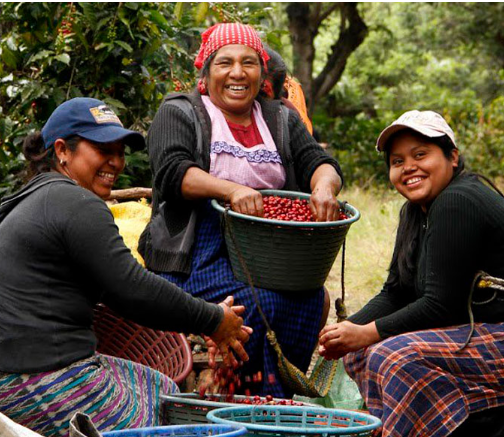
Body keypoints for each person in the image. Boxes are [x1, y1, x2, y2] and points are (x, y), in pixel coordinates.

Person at [0, 97, 251, 437]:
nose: (116, 163)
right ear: (62, 150)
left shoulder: (37, 198)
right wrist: (213, 320)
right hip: (33, 374)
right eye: (103, 150)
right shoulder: (73, 201)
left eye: (120, 152)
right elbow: (132, 288)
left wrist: (208, 318)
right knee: (153, 430)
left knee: (163, 393)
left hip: (48, 361)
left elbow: (119, 293)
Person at [139, 22, 344, 397]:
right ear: (207, 71)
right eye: (225, 63)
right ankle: (249, 398)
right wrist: (231, 189)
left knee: (310, 298)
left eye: (248, 63)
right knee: (259, 303)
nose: (237, 73)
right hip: (195, 253)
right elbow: (172, 172)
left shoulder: (280, 117)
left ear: (261, 73)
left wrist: (324, 187)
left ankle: (280, 391)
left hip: (272, 252)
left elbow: (319, 160)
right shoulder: (180, 111)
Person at [318, 110, 504, 437]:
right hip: (472, 333)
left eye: (421, 155)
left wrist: (368, 332)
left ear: (453, 158)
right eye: (397, 161)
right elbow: (397, 291)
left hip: (497, 333)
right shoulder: (415, 212)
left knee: (392, 356)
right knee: (359, 353)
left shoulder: (459, 200)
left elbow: (441, 304)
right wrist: (349, 330)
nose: (409, 168)